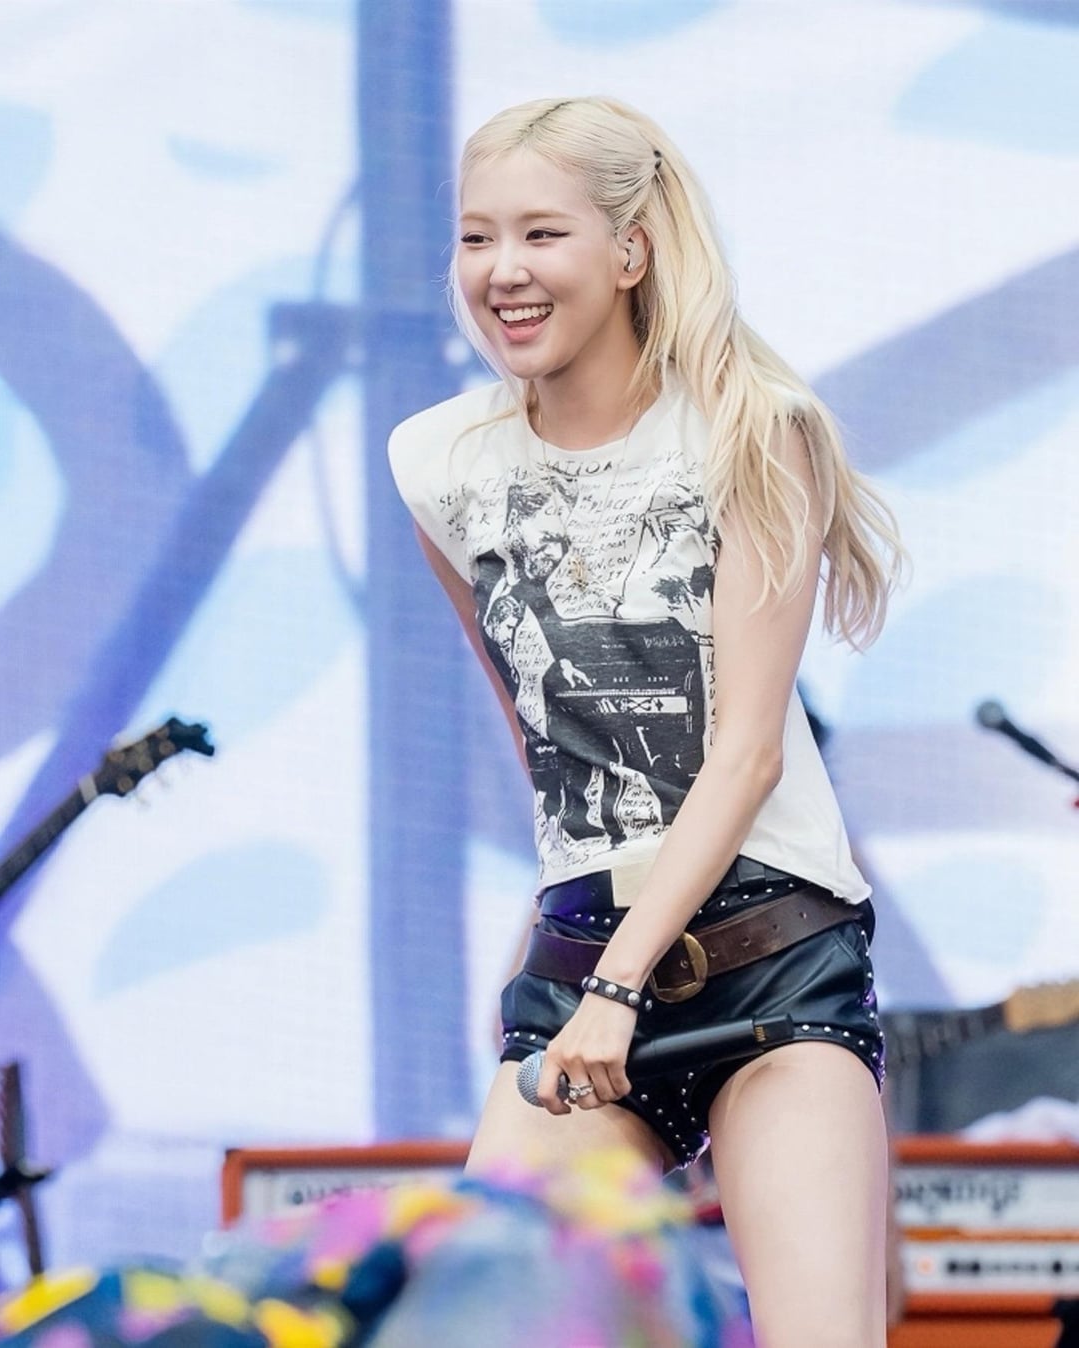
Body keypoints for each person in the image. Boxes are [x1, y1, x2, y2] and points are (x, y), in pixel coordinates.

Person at [388, 95, 904, 1348]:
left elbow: (748, 753)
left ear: (630, 250)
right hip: (579, 962)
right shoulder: (439, 460)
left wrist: (622, 983)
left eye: (541, 233)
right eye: (476, 237)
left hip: (769, 956)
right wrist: (573, 961)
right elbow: (542, 741)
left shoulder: (750, 429)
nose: (502, 270)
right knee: (476, 1325)